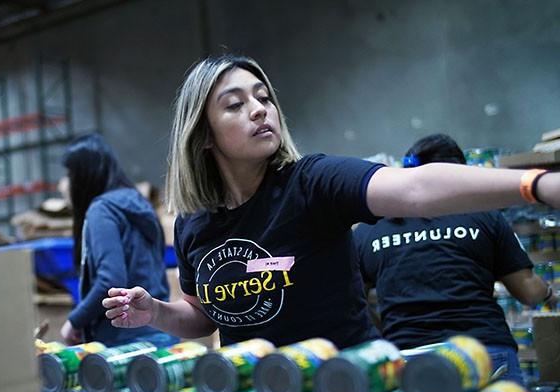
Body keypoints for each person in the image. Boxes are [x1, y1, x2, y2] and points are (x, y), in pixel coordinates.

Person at [102, 55, 560, 351]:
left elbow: (416, 188)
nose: (260, 109)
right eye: (235, 104)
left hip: (344, 390)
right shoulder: (193, 224)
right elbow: (202, 315)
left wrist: (534, 185)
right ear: (202, 135)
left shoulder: (312, 183)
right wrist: (157, 313)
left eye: (263, 98)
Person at [354, 134, 557, 383]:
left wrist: (385, 330)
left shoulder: (369, 229)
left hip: (410, 360)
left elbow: (354, 300)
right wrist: (547, 293)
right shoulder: (484, 215)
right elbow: (528, 291)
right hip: (483, 353)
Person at [60, 133, 178, 348]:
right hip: (162, 335)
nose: (63, 184)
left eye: (69, 174)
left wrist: (74, 321)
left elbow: (110, 280)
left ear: (83, 175)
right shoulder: (138, 204)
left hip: (124, 346)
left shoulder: (102, 211)